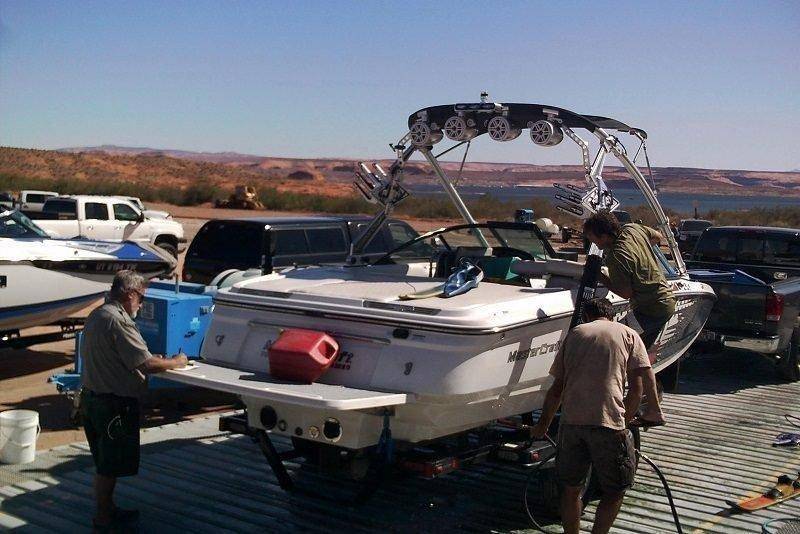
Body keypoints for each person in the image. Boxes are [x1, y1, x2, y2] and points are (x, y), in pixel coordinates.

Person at [531, 298, 663, 534]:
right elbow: (640, 382)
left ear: (586, 317)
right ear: (611, 315)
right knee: (615, 491)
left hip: (572, 424)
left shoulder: (576, 334)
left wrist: (542, 425)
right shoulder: (628, 333)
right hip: (608, 424)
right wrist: (641, 414)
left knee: (570, 489)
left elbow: (556, 389)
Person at [80, 270, 188, 532]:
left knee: (106, 462)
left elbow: (120, 356)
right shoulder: (119, 321)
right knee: (109, 466)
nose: (142, 303)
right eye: (141, 297)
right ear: (129, 294)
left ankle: (107, 509)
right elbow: (147, 363)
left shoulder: (98, 314)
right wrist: (176, 361)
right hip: (113, 405)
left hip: (93, 400)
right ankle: (103, 517)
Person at [583, 210, 676, 357]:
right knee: (635, 351)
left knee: (622, 347)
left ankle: (629, 376)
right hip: (664, 300)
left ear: (604, 236)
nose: (592, 242)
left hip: (651, 310)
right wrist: (640, 252)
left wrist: (600, 277)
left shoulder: (616, 256)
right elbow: (658, 237)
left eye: (593, 239)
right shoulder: (632, 229)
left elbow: (626, 293)